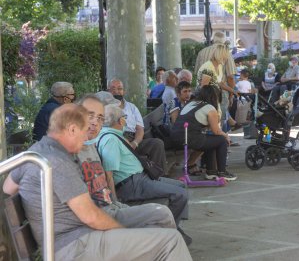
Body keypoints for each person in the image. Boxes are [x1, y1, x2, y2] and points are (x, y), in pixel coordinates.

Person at [3, 104, 192, 260]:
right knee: (171, 241)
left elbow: (8, 187)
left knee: (160, 228)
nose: (86, 138)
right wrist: (123, 231)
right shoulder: (58, 162)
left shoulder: (36, 152)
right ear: (71, 129)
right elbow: (91, 217)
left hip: (68, 240)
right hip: (75, 246)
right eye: (85, 131)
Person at [76, 94, 178, 230]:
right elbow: (108, 176)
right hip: (111, 208)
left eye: (100, 118)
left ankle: (174, 235)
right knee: (164, 212)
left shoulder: (90, 146)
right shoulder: (78, 150)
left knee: (168, 210)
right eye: (90, 116)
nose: (95, 123)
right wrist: (115, 202)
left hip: (113, 204)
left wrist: (114, 203)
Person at [96, 104, 192, 244]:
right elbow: (108, 174)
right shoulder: (110, 140)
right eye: (125, 117)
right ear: (119, 121)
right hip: (132, 184)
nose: (126, 120)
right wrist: (115, 202)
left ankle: (174, 226)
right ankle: (169, 233)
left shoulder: (113, 135)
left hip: (140, 178)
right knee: (180, 194)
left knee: (181, 186)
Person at [170, 85, 237, 181]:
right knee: (221, 140)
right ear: (215, 97)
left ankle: (211, 171)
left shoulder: (191, 103)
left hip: (175, 137)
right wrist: (226, 136)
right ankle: (222, 172)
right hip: (188, 138)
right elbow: (217, 131)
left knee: (211, 139)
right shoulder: (209, 108)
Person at [108, 79, 167, 172]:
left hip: (134, 139)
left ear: (124, 91)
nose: (116, 91)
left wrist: (135, 143)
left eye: (119, 89)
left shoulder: (132, 107)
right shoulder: (106, 108)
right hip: (118, 139)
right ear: (108, 91)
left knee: (157, 143)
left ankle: (158, 174)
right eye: (113, 89)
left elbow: (140, 129)